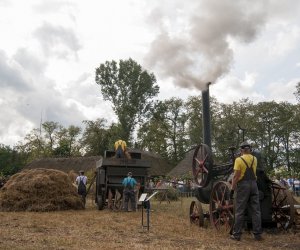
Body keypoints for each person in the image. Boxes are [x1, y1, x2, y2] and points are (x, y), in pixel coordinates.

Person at [230, 141, 262, 241]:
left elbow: (236, 176)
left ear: (241, 150)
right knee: (256, 211)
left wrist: (232, 188)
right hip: (254, 184)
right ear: (249, 150)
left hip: (243, 185)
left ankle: (237, 235)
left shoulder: (238, 160)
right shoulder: (254, 158)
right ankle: (257, 234)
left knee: (240, 210)